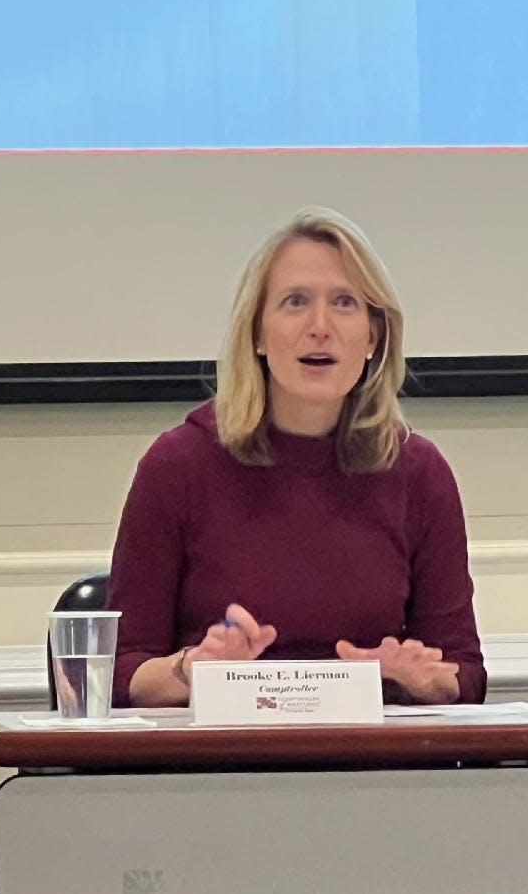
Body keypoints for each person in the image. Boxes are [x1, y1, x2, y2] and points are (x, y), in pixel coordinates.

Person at [109, 207, 485, 707]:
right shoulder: (177, 466)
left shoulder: (418, 473)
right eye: (295, 302)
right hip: (215, 773)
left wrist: (420, 677)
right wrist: (191, 668)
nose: (320, 326)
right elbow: (119, 675)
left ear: (373, 336)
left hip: (370, 772)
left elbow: (464, 675)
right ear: (259, 334)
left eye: (345, 303)